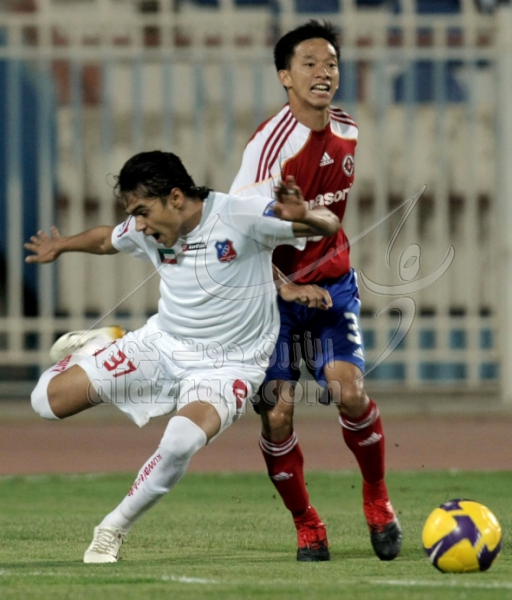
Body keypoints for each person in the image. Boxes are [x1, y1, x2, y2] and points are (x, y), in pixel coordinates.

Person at [24, 150, 340, 563]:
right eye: (133, 215)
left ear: (175, 197)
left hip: (228, 366)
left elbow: (329, 224)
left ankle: (112, 529)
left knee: (180, 441)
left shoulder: (240, 215)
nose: (138, 225)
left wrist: (307, 215)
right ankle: (100, 345)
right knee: (45, 402)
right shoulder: (148, 229)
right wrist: (62, 245)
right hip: (161, 345)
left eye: (142, 212)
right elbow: (105, 239)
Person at [229, 20, 403, 562]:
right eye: (309, 63)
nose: (323, 72)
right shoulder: (269, 148)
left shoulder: (348, 129)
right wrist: (283, 286)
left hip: (332, 285)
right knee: (278, 412)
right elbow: (234, 233)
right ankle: (307, 524)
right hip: (269, 298)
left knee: (350, 392)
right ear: (285, 76)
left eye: (331, 63)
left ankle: (377, 499)